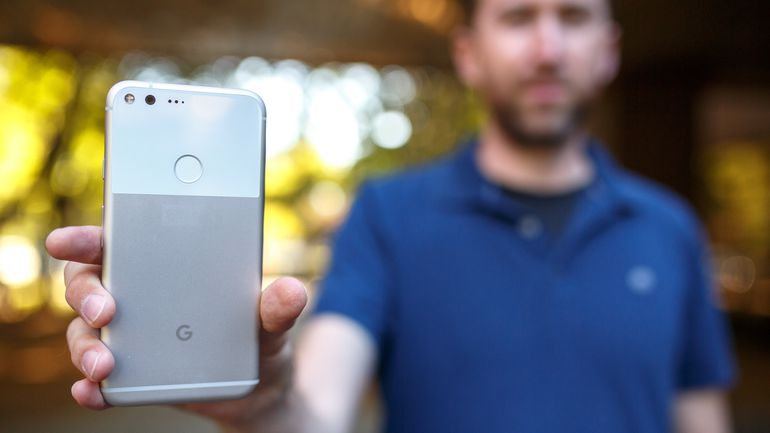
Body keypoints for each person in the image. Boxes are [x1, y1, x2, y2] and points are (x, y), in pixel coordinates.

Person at [48, 0, 736, 431]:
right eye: (519, 17)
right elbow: (320, 412)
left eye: (574, 17)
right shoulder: (387, 214)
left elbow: (702, 417)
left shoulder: (671, 228)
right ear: (468, 53)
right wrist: (264, 405)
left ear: (609, 50)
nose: (548, 48)